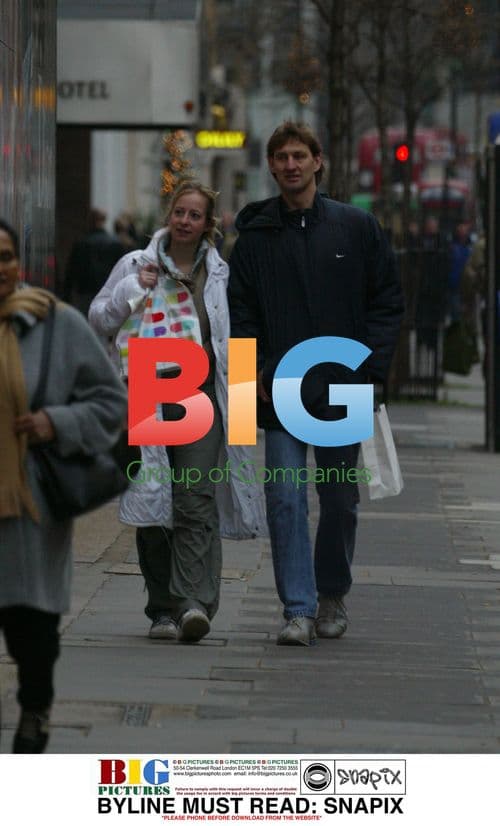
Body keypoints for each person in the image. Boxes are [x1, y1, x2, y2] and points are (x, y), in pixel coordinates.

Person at [228, 121, 404, 646]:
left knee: (340, 499)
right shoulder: (255, 237)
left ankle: (332, 594)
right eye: (281, 157)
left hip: (342, 384)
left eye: (299, 155)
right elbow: (240, 312)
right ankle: (298, 609)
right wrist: (252, 375)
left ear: (317, 161)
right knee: (284, 497)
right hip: (279, 385)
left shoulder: (356, 227)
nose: (291, 165)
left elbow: (386, 300)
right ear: (271, 165)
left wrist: (369, 371)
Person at [89, 180, 266, 645]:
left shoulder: (222, 275)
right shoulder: (134, 264)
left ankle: (193, 603)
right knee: (151, 501)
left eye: (195, 215)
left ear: (208, 224)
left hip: (201, 395)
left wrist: (242, 413)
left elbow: (235, 340)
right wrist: (131, 290)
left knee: (194, 497)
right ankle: (162, 609)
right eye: (179, 212)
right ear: (169, 215)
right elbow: (99, 319)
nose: (185, 221)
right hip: (145, 393)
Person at [0, 218, 127, 752]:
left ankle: (35, 709)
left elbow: (112, 402)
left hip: (29, 504)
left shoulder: (56, 324)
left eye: (6, 256)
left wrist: (57, 422)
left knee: (28, 624)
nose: (0, 268)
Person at [63, 208, 127, 316]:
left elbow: (71, 270)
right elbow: (121, 269)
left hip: (85, 290)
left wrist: (67, 293)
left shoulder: (81, 243)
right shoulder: (115, 243)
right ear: (104, 220)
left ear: (90, 220)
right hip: (107, 290)